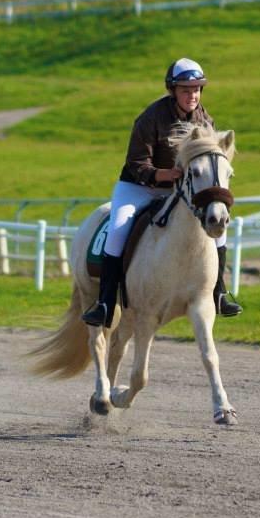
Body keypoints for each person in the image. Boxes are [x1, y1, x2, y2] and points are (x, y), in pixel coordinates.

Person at [81, 58, 243, 328]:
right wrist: (161, 174)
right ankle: (106, 303)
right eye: (185, 90)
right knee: (119, 229)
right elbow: (135, 163)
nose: (192, 96)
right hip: (138, 187)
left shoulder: (205, 119)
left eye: (197, 89)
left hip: (176, 192)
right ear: (172, 91)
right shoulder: (150, 118)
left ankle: (219, 294)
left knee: (218, 228)